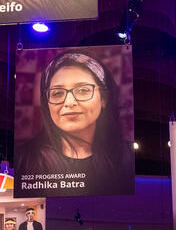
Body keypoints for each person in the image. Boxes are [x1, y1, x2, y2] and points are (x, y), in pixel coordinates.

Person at [17, 52, 134, 195]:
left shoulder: (128, 157)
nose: (69, 102)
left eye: (83, 90)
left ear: (103, 99)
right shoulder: (22, 159)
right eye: (57, 93)